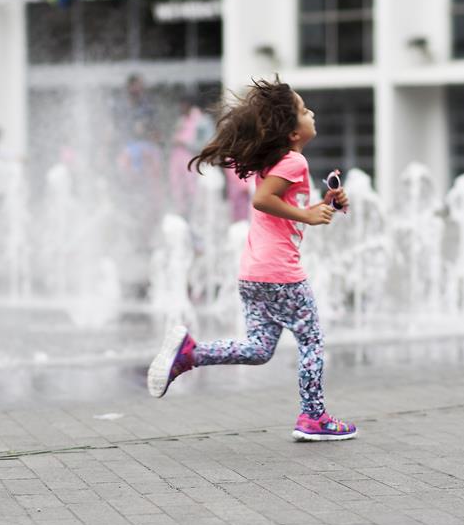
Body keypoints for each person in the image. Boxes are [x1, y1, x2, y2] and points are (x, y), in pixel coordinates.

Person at [146, 77, 357, 442]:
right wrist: (308, 216)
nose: (312, 113)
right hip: (281, 275)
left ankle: (191, 353)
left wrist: (325, 205)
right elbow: (262, 200)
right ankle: (313, 417)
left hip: (253, 275)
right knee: (312, 341)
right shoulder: (294, 162)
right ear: (293, 133)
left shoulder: (276, 162)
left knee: (259, 349)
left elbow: (281, 208)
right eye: (305, 110)